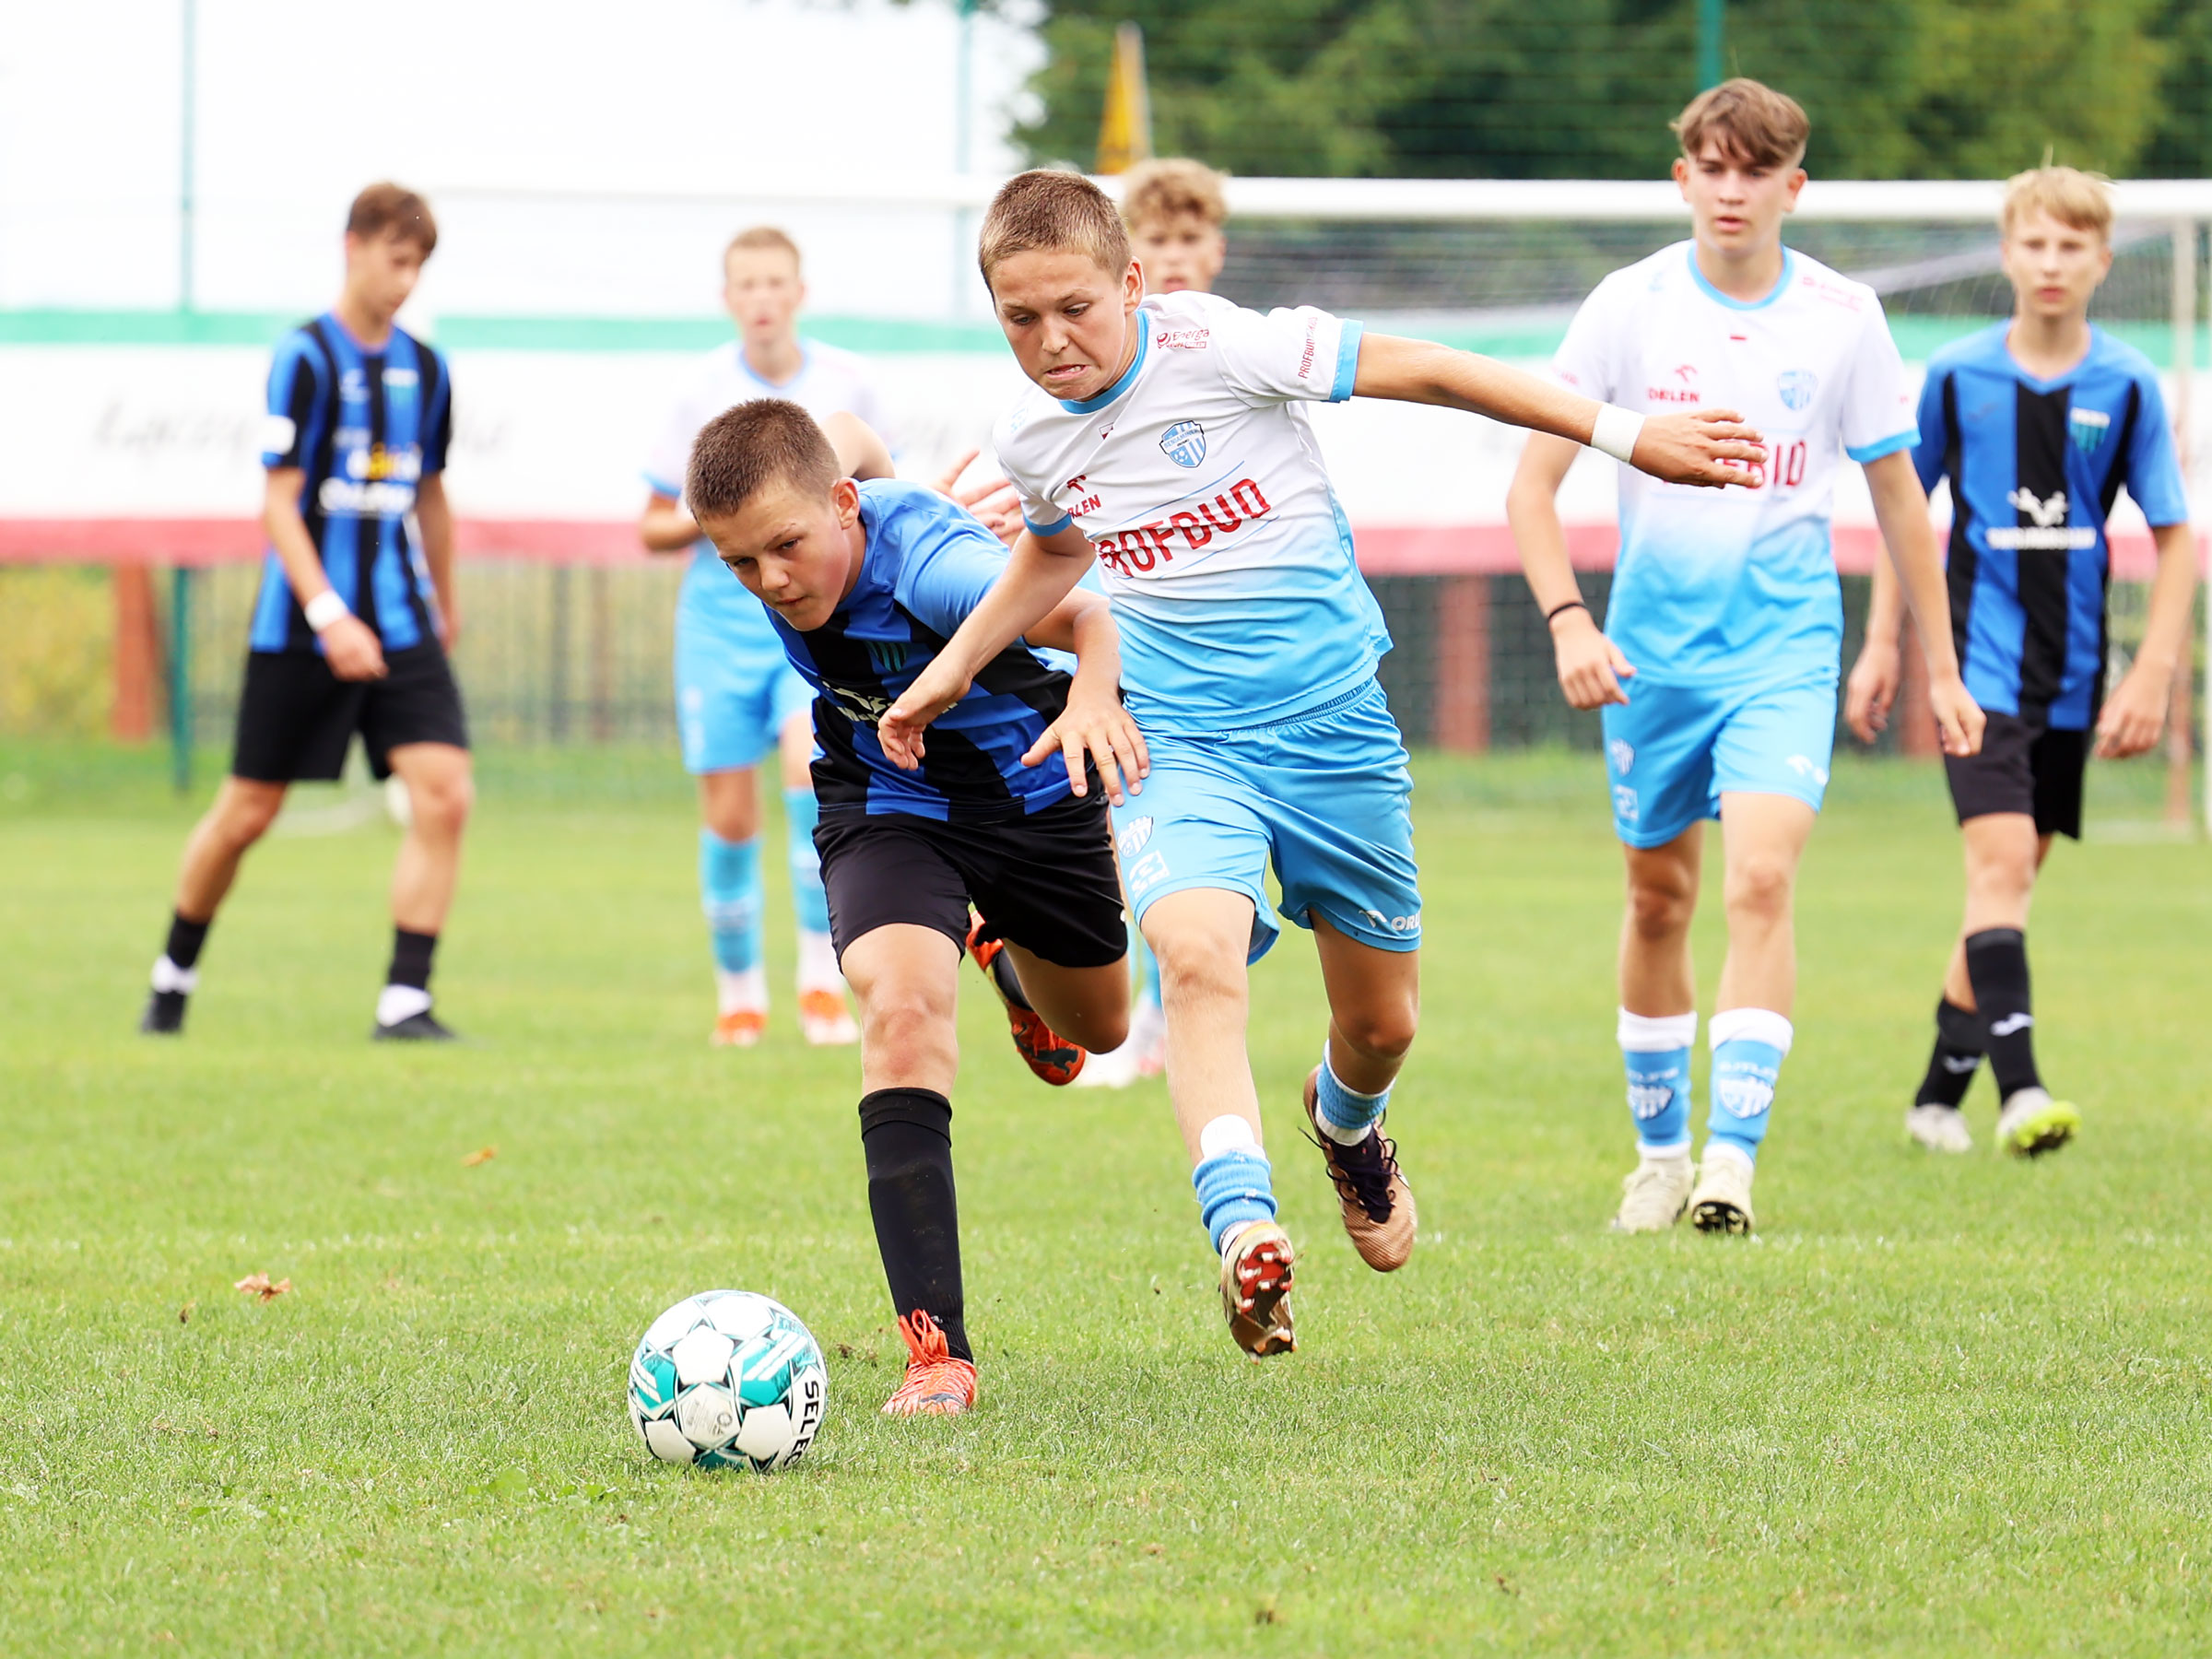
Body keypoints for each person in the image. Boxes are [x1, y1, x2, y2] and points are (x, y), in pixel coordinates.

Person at [880, 169, 1764, 1359]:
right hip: (1179, 740)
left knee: (1384, 1027)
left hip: (1335, 731)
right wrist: (953, 666)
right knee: (1192, 962)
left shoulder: (1233, 346)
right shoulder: (1031, 436)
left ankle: (1346, 1126)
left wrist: (1628, 438)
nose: (1053, 343)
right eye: (1020, 320)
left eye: (1077, 309)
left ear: (1134, 283)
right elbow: (1053, 551)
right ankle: (1244, 1231)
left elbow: (1443, 374)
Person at [1505, 78, 1984, 1236]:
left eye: (1754, 169)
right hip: (1650, 660)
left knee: (1762, 880)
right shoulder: (1627, 307)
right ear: (1683, 178)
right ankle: (1660, 1159)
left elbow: (1901, 500)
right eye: (1710, 167)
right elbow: (1531, 482)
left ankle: (1731, 1163)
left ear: (1792, 187)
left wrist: (1940, 665)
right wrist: (1572, 619)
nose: (1731, 188)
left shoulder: (1842, 316)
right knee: (1658, 896)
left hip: (1784, 646)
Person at [684, 398, 1139, 1415]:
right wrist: (889, 482)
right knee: (899, 1014)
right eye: (742, 565)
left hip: (1032, 792)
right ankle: (938, 1353)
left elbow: (1092, 614)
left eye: (788, 548)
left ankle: (1004, 957)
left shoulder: (938, 568)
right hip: (886, 797)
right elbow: (839, 431)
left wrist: (1097, 697)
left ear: (843, 511)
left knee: (1100, 1032)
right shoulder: (807, 507)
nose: (772, 582)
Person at [1846, 166, 2197, 1159]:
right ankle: (2023, 1093)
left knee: (2006, 889)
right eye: (2033, 244)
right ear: (2006, 253)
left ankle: (1931, 1097)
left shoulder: (2125, 383)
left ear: (2101, 261)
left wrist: (2152, 674)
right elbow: (1902, 516)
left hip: (2075, 682)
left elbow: (2176, 539)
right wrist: (1882, 647)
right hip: (1977, 677)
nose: (2050, 263)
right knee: (1999, 868)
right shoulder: (1958, 375)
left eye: (2071, 246)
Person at [139, 182, 471, 1042]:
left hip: (399, 624)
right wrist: (328, 612)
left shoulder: (428, 370)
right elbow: (278, 504)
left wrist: (445, 600)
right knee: (247, 814)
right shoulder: (307, 359)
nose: (405, 281)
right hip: (302, 626)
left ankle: (405, 1001)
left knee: (445, 793)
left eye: (419, 266)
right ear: (352, 245)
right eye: (396, 260)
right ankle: (173, 975)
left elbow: (430, 497)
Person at [639, 227, 888, 1048]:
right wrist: (723, 519)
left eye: (776, 282)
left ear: (799, 292)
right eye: (746, 284)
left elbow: (874, 496)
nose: (762, 298)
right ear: (729, 298)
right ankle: (739, 994)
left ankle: (820, 979)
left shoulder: (846, 384)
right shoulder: (696, 391)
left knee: (806, 775)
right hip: (716, 630)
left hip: (806, 625)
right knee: (730, 815)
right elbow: (650, 524)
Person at [1073, 155, 1237, 1090]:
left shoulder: (1239, 350)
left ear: (1214, 249)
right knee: (1120, 821)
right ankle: (1137, 1017)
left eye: (1188, 238)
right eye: (1157, 241)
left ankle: (1187, 1002)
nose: (1174, 257)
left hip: (1229, 642)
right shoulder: (1097, 363)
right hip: (1131, 626)